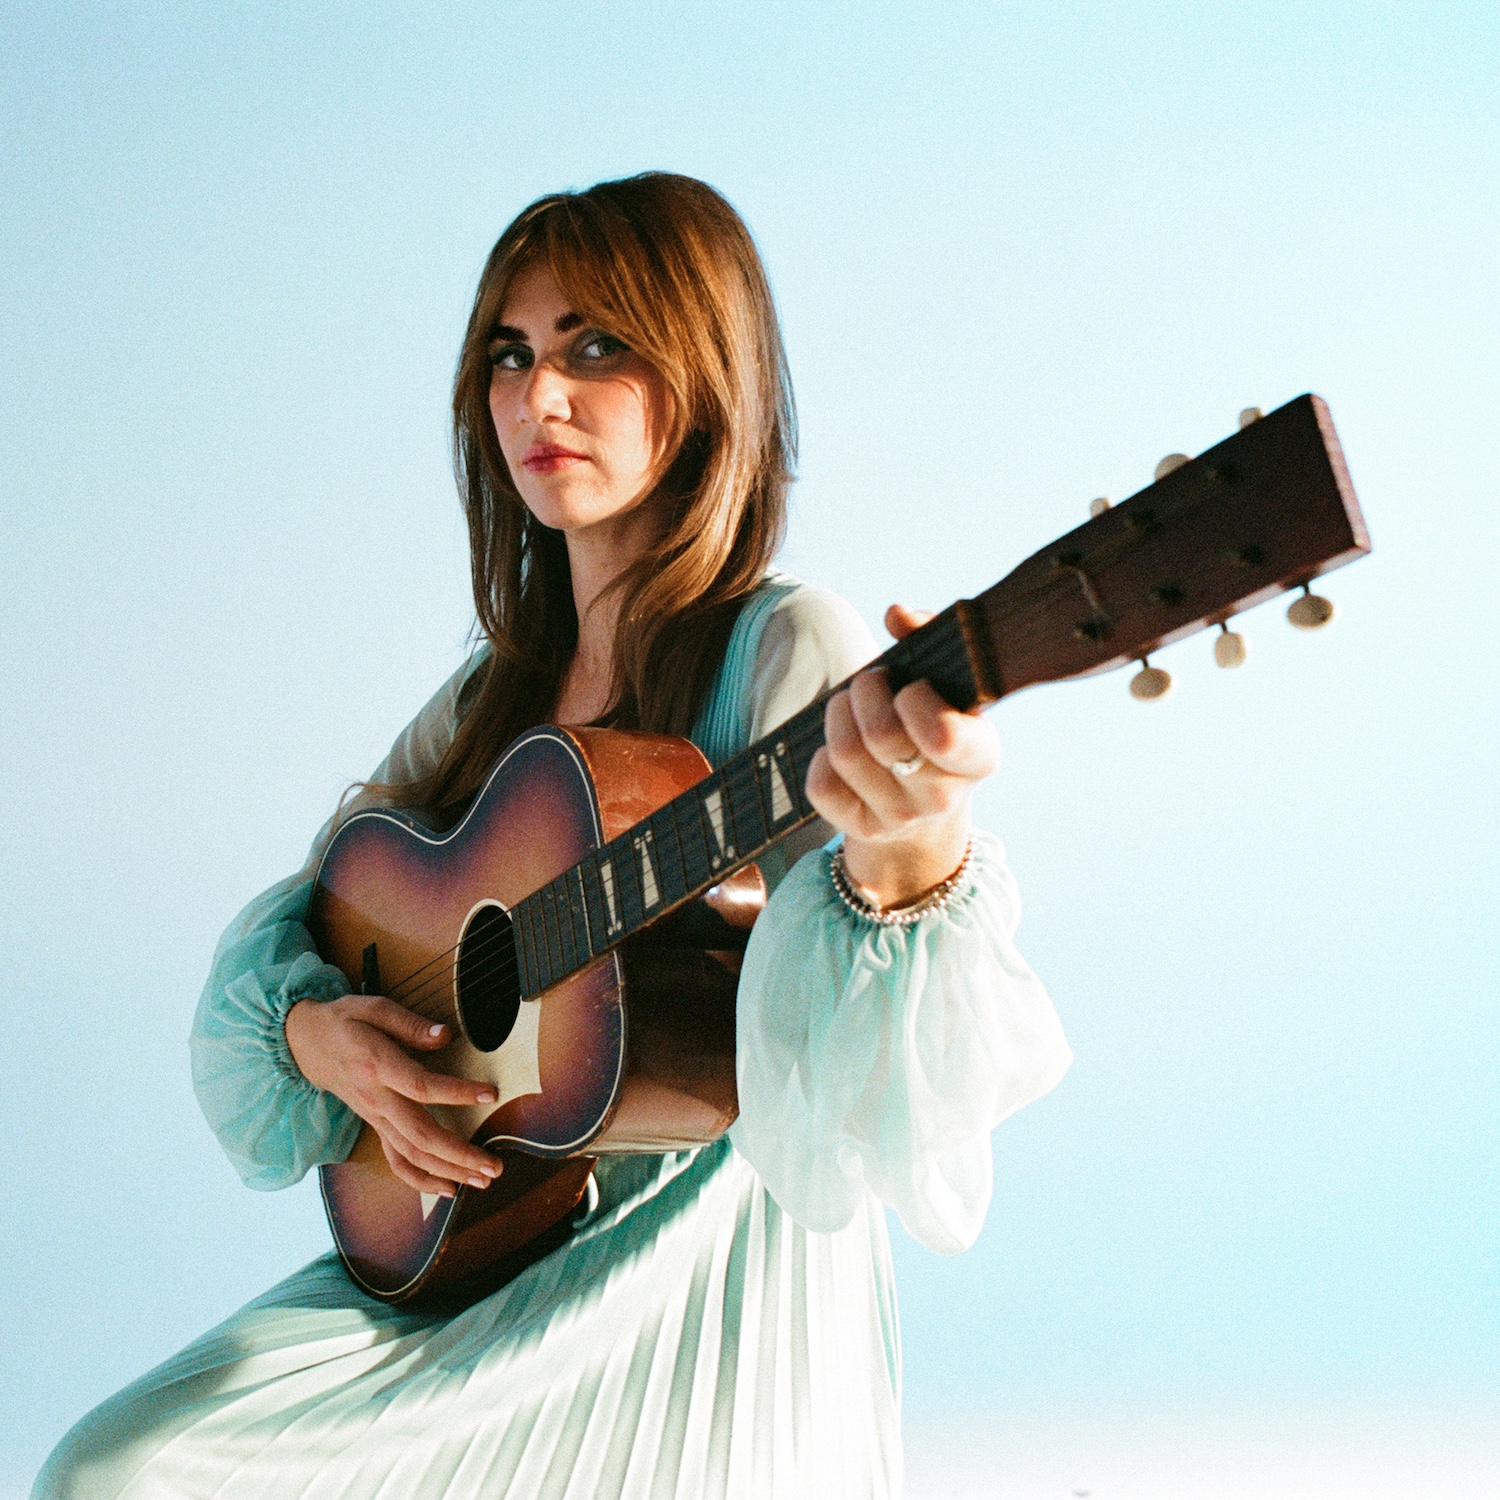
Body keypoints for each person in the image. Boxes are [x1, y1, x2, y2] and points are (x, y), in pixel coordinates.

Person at [35, 172, 1072, 1500]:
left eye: (596, 347)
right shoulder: (495, 693)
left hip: (704, 1280)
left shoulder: (785, 644)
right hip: (486, 1236)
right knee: (115, 1472)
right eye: (511, 356)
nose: (541, 397)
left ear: (705, 376)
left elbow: (879, 1096)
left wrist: (913, 853)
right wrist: (314, 1034)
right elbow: (314, 913)